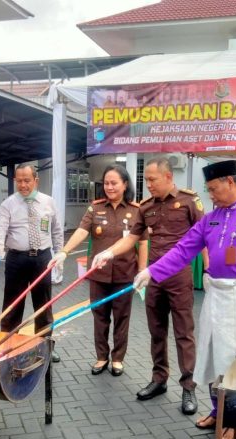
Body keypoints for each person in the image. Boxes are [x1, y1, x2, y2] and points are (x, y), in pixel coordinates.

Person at [132, 160, 236, 433]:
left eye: (214, 189)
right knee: (213, 355)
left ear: (231, 182)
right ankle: (218, 411)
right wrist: (153, 272)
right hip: (216, 294)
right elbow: (184, 248)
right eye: (208, 190)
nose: (211, 195)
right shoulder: (213, 216)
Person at [91, 157, 205, 415]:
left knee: (184, 333)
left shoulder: (188, 201)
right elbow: (132, 238)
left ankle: (188, 387)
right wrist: (109, 252)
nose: (148, 185)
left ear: (168, 177)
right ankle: (159, 379)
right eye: (146, 180)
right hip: (153, 278)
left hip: (179, 277)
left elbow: (205, 235)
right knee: (157, 331)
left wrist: (208, 270)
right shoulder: (145, 207)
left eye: (152, 180)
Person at [49, 165, 148, 376]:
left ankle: (118, 359)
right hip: (99, 275)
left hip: (125, 274)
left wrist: (142, 271)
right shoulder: (95, 208)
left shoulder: (136, 210)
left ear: (125, 184)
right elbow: (81, 232)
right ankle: (102, 357)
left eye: (114, 183)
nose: (109, 187)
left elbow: (144, 243)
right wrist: (64, 252)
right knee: (100, 317)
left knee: (122, 318)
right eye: (106, 183)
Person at [0, 163, 63, 363]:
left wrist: (59, 254)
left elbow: (56, 230)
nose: (23, 185)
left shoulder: (48, 202)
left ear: (36, 180)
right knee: (13, 305)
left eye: (27, 181)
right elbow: (0, 227)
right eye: (19, 181)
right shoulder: (9, 204)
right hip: (17, 259)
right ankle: (8, 345)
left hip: (42, 258)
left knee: (44, 305)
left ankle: (46, 345)